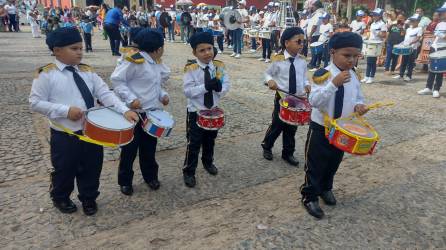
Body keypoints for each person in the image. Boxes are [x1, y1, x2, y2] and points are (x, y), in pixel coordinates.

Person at [29, 27, 138, 215]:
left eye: (80, 48)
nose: (80, 52)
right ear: (57, 51)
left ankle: (89, 197)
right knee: (64, 169)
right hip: (65, 134)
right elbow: (35, 102)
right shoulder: (46, 74)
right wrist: (64, 110)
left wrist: (125, 110)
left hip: (92, 132)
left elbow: (105, 94)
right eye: (74, 48)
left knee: (92, 167)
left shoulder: (88, 72)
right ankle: (61, 197)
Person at [300, 32, 368, 219]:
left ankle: (325, 188)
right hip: (321, 128)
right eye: (347, 55)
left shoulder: (354, 76)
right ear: (332, 52)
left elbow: (357, 96)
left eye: (356, 56)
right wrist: (333, 85)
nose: (351, 60)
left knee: (334, 161)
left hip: (342, 129)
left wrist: (359, 105)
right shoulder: (323, 75)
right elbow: (314, 101)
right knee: (315, 163)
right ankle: (310, 195)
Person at [110, 28, 170, 195]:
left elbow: (156, 86)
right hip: (133, 114)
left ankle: (150, 176)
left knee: (149, 148)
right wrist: (130, 99)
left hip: (150, 113)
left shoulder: (156, 63)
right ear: (158, 49)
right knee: (129, 150)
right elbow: (117, 81)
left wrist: (163, 95)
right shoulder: (133, 61)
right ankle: (125, 181)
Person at [182, 32, 230, 188]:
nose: (207, 53)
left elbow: (225, 87)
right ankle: (189, 171)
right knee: (194, 143)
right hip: (196, 111)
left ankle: (208, 162)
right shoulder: (191, 68)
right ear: (194, 53)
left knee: (210, 140)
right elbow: (188, 91)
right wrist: (205, 87)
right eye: (202, 50)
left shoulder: (219, 67)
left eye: (209, 48)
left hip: (213, 111)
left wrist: (219, 88)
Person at [262, 27, 310, 167]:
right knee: (278, 124)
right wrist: (270, 80)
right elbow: (267, 74)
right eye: (298, 41)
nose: (302, 45)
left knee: (292, 126)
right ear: (287, 42)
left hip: (298, 98)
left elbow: (304, 77)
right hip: (282, 98)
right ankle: (267, 146)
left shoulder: (302, 61)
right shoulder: (278, 60)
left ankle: (288, 152)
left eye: (303, 42)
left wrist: (307, 84)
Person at [418, 3, 446, 99]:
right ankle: (428, 87)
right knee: (431, 68)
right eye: (441, 12)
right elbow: (435, 35)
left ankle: (436, 89)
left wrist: (441, 34)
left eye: (443, 12)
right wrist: (437, 34)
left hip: (443, 48)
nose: (441, 13)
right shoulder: (439, 24)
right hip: (434, 47)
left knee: (439, 70)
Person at [393, 14, 422, 82]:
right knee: (403, 62)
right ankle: (401, 75)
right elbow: (405, 37)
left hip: (412, 48)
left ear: (418, 21)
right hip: (406, 47)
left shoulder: (419, 29)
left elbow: (418, 38)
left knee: (410, 63)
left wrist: (411, 43)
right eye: (411, 20)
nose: (412, 22)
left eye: (413, 21)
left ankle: (409, 76)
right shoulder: (408, 29)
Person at [363, 8, 386, 84]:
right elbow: (371, 34)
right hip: (371, 42)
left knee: (372, 61)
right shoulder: (372, 24)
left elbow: (383, 35)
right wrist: (366, 37)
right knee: (368, 61)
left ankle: (371, 77)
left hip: (376, 44)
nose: (374, 16)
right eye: (373, 15)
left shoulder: (382, 24)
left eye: (376, 15)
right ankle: (366, 76)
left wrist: (377, 33)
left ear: (380, 16)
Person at [307, 0, 325, 71]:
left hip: (315, 35)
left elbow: (315, 26)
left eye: (313, 6)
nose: (312, 7)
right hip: (314, 34)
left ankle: (314, 64)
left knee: (315, 50)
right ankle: (313, 62)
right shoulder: (317, 13)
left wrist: (310, 35)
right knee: (314, 50)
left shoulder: (319, 14)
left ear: (317, 6)